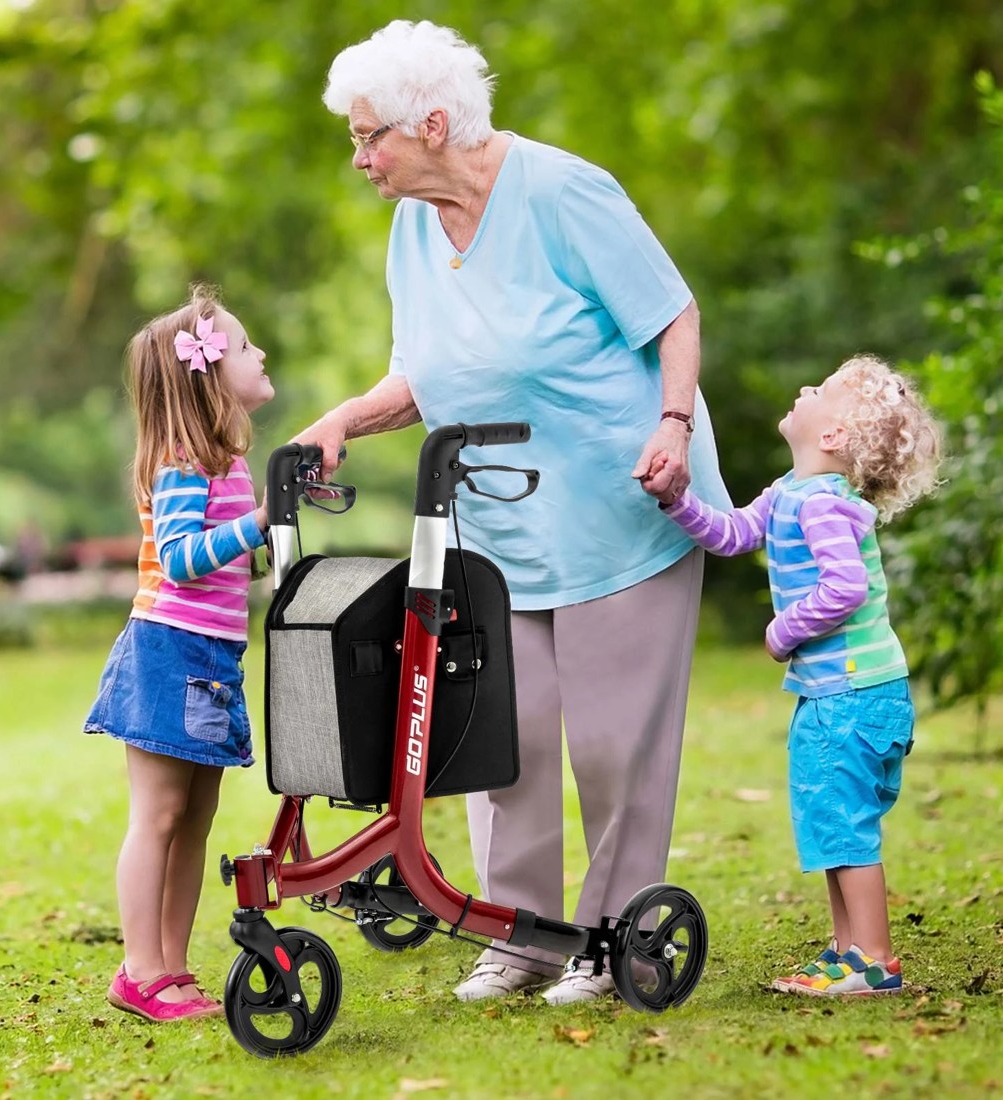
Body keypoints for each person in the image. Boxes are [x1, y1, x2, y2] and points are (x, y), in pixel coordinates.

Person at [297, 20, 732, 1004]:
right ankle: (520, 935)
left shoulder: (563, 193)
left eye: (373, 138)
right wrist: (341, 420)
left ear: (436, 122)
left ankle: (616, 939)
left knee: (615, 741)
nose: (360, 159)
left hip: (623, 502)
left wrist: (669, 424)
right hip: (499, 524)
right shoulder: (413, 224)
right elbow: (421, 375)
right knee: (505, 731)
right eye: (355, 139)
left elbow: (671, 314)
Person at [643, 354, 941, 996]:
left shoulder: (826, 506)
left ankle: (874, 961)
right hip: (840, 694)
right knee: (832, 822)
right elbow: (729, 535)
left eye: (821, 390)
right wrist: (676, 500)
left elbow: (845, 587)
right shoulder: (789, 493)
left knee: (844, 823)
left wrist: (783, 632)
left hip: (853, 697)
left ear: (831, 436)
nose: (805, 388)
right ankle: (846, 952)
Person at [84, 286, 275, 1021]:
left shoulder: (225, 459)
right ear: (209, 371)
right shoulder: (180, 459)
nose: (261, 355)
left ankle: (171, 966)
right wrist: (260, 523)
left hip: (212, 655)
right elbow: (182, 557)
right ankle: (139, 969)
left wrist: (269, 527)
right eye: (247, 346)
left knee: (194, 818)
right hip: (169, 649)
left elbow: (231, 562)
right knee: (159, 815)